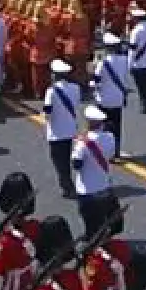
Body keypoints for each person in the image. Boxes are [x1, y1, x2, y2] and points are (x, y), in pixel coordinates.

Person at [72, 105, 119, 238]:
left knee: (91, 222)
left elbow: (76, 165)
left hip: (87, 189)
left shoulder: (82, 143)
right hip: (104, 185)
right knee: (105, 216)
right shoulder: (110, 137)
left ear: (88, 122)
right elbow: (111, 155)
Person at [43, 60, 82, 197]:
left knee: (59, 161)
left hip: (56, 132)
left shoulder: (51, 91)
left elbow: (47, 112)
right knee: (66, 158)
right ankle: (68, 184)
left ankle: (67, 186)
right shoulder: (75, 88)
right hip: (70, 129)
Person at [93, 32, 132, 141]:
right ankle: (116, 147)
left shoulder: (102, 63)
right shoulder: (124, 60)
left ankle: (105, 147)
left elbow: (97, 81)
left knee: (103, 127)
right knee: (116, 126)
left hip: (104, 99)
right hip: (118, 98)